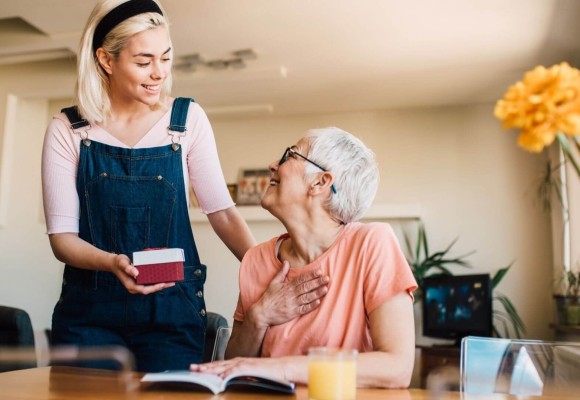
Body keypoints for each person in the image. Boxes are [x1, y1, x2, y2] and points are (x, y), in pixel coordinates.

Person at [40, 0, 262, 372]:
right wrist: (112, 263)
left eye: (165, 58)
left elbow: (222, 213)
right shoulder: (68, 130)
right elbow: (62, 238)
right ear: (106, 61)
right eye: (143, 62)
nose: (158, 73)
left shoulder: (186, 120)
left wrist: (264, 272)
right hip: (88, 318)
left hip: (171, 314)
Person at [190, 127, 418, 388]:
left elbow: (397, 368)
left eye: (291, 155)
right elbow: (236, 364)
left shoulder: (371, 243)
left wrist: (279, 368)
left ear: (320, 182)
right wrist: (258, 316)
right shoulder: (256, 259)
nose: (273, 165)